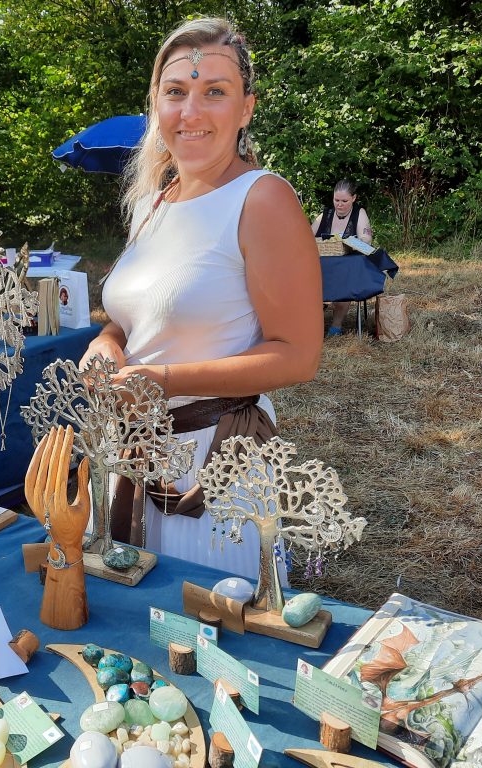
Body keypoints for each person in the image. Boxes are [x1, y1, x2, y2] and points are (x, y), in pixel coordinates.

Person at [80, 18, 322, 577]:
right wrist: (106, 345)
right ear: (156, 106)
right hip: (132, 452)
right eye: (176, 92)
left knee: (208, 638)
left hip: (210, 466)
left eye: (215, 91)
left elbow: (297, 354)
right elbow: (131, 320)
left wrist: (162, 381)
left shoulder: (262, 200)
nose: (191, 111)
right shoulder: (154, 203)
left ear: (246, 109)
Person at [311, 179, 373, 336]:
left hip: (347, 265)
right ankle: (312, 316)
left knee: (345, 278)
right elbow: (307, 237)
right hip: (321, 265)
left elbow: (366, 241)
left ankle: (336, 325)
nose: (339, 204)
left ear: (354, 198)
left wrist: (348, 242)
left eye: (344, 201)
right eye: (336, 200)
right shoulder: (325, 214)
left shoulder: (359, 213)